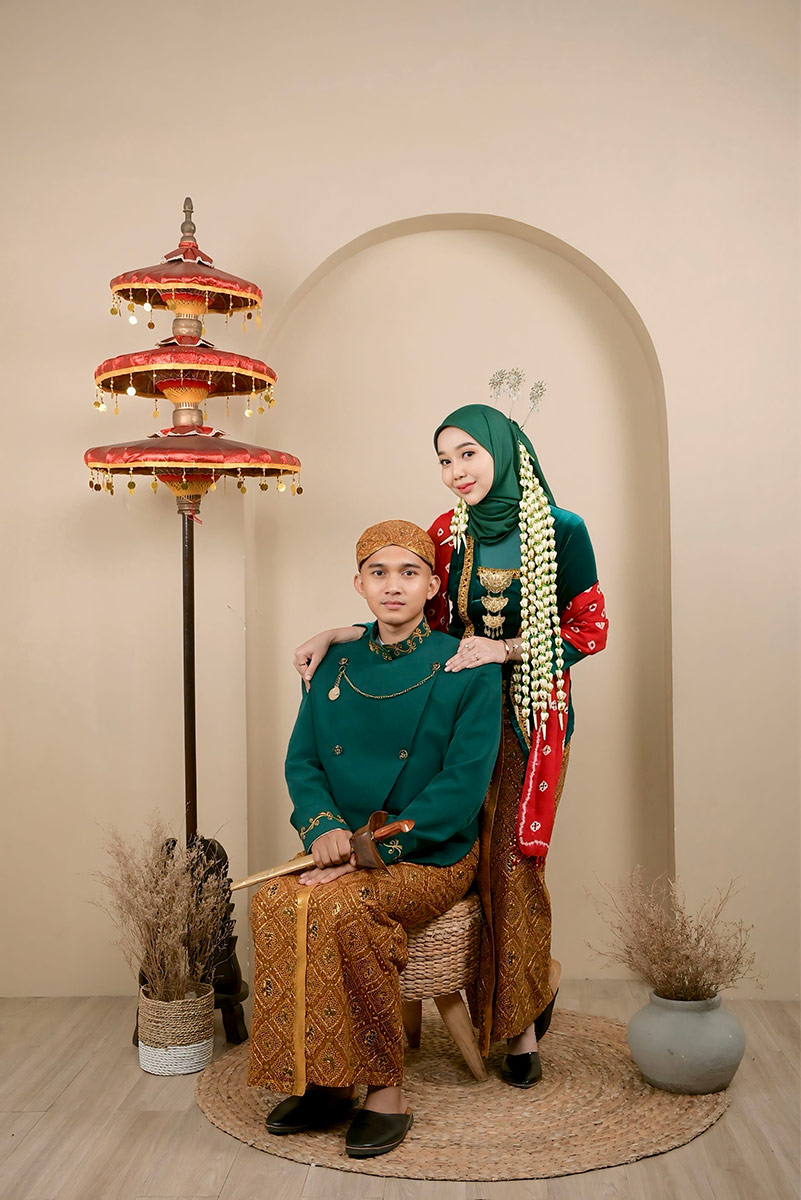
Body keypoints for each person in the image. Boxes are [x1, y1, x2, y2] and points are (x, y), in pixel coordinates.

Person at [293, 405, 607, 1089]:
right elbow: (415, 614)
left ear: (504, 451)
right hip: (449, 708)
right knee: (450, 838)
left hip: (525, 715)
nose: (455, 471)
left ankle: (520, 1025)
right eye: (443, 459)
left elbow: (589, 630)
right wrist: (340, 633)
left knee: (509, 865)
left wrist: (505, 649)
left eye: (468, 454)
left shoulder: (562, 530)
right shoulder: (446, 532)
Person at [249, 519, 501, 1158]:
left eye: (409, 573)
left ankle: (385, 1090)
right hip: (339, 841)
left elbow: (461, 789)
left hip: (429, 851)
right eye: (378, 573)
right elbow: (304, 761)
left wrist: (371, 848)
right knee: (274, 900)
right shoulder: (333, 661)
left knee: (349, 908)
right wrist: (324, 827)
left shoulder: (467, 665)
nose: (393, 586)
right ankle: (324, 1082)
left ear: (432, 586)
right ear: (358, 584)